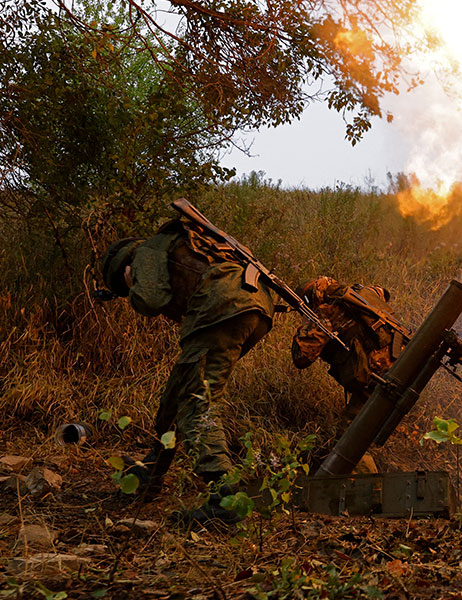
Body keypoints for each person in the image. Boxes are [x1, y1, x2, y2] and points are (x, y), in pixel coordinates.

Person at [101, 217, 274, 523]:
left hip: (222, 307)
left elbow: (152, 299)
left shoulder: (147, 252)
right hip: (253, 308)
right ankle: (151, 474)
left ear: (123, 266)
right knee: (175, 396)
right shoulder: (178, 245)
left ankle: (225, 499)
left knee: (197, 404)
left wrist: (132, 286)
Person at [291, 276, 408, 472]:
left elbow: (302, 357)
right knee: (358, 437)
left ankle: (368, 493)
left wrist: (306, 322)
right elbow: (383, 292)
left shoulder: (326, 312)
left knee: (349, 441)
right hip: (404, 362)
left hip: (379, 376)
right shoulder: (365, 293)